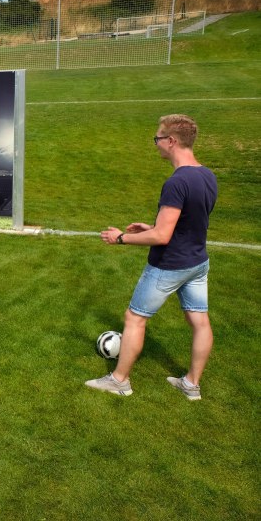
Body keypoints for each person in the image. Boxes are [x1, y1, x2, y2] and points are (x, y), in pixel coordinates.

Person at [86, 114, 217, 401]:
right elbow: (191, 221)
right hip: (198, 263)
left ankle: (120, 380)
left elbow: (162, 237)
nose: (155, 143)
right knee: (200, 321)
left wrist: (120, 238)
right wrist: (153, 226)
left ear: (171, 141)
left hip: (170, 265)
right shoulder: (207, 175)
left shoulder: (176, 182)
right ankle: (191, 384)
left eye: (158, 138)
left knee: (134, 318)